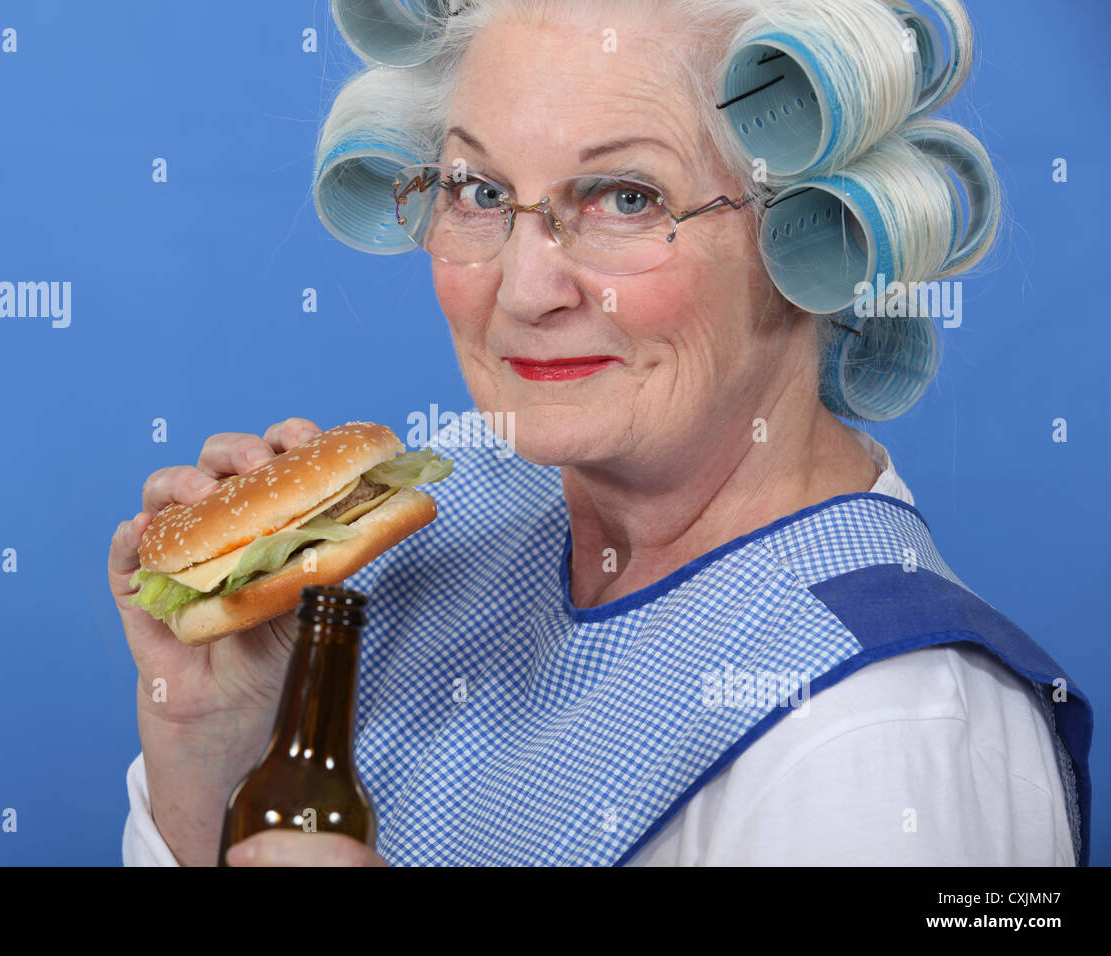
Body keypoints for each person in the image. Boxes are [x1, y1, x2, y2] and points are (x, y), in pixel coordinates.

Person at [108, 0, 1091, 866]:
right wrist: (212, 748)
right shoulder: (426, 550)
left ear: (814, 235)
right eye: (478, 192)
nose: (526, 291)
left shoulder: (876, 738)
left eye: (627, 197)